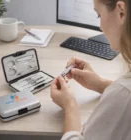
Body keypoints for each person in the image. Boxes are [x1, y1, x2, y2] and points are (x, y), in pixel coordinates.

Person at [50, 0, 131, 139]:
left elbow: (125, 95)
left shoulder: (123, 95)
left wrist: (70, 106)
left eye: (99, 15)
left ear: (121, 12)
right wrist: (100, 84)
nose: (100, 26)